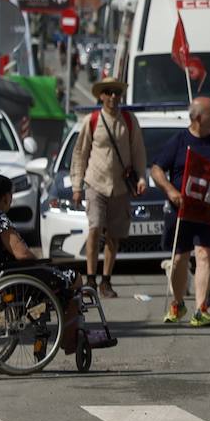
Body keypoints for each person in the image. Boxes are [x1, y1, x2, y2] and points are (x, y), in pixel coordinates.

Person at [149, 97, 210, 328]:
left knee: (205, 254)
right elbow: (157, 169)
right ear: (199, 118)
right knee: (180, 257)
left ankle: (201, 309)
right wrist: (171, 191)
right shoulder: (180, 141)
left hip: (208, 209)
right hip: (180, 209)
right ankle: (177, 303)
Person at [0, 170, 83, 353]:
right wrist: (40, 264)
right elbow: (22, 254)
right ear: (5, 198)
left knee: (60, 276)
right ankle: (69, 338)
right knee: (75, 278)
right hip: (14, 278)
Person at [69, 77, 147, 297]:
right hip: (95, 183)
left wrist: (142, 178)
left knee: (114, 236)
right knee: (94, 229)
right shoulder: (91, 120)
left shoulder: (129, 121)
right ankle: (91, 279)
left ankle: (106, 281)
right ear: (101, 96)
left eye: (117, 93)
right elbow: (80, 154)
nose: (113, 97)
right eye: (109, 92)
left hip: (121, 187)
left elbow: (138, 152)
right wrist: (77, 186)